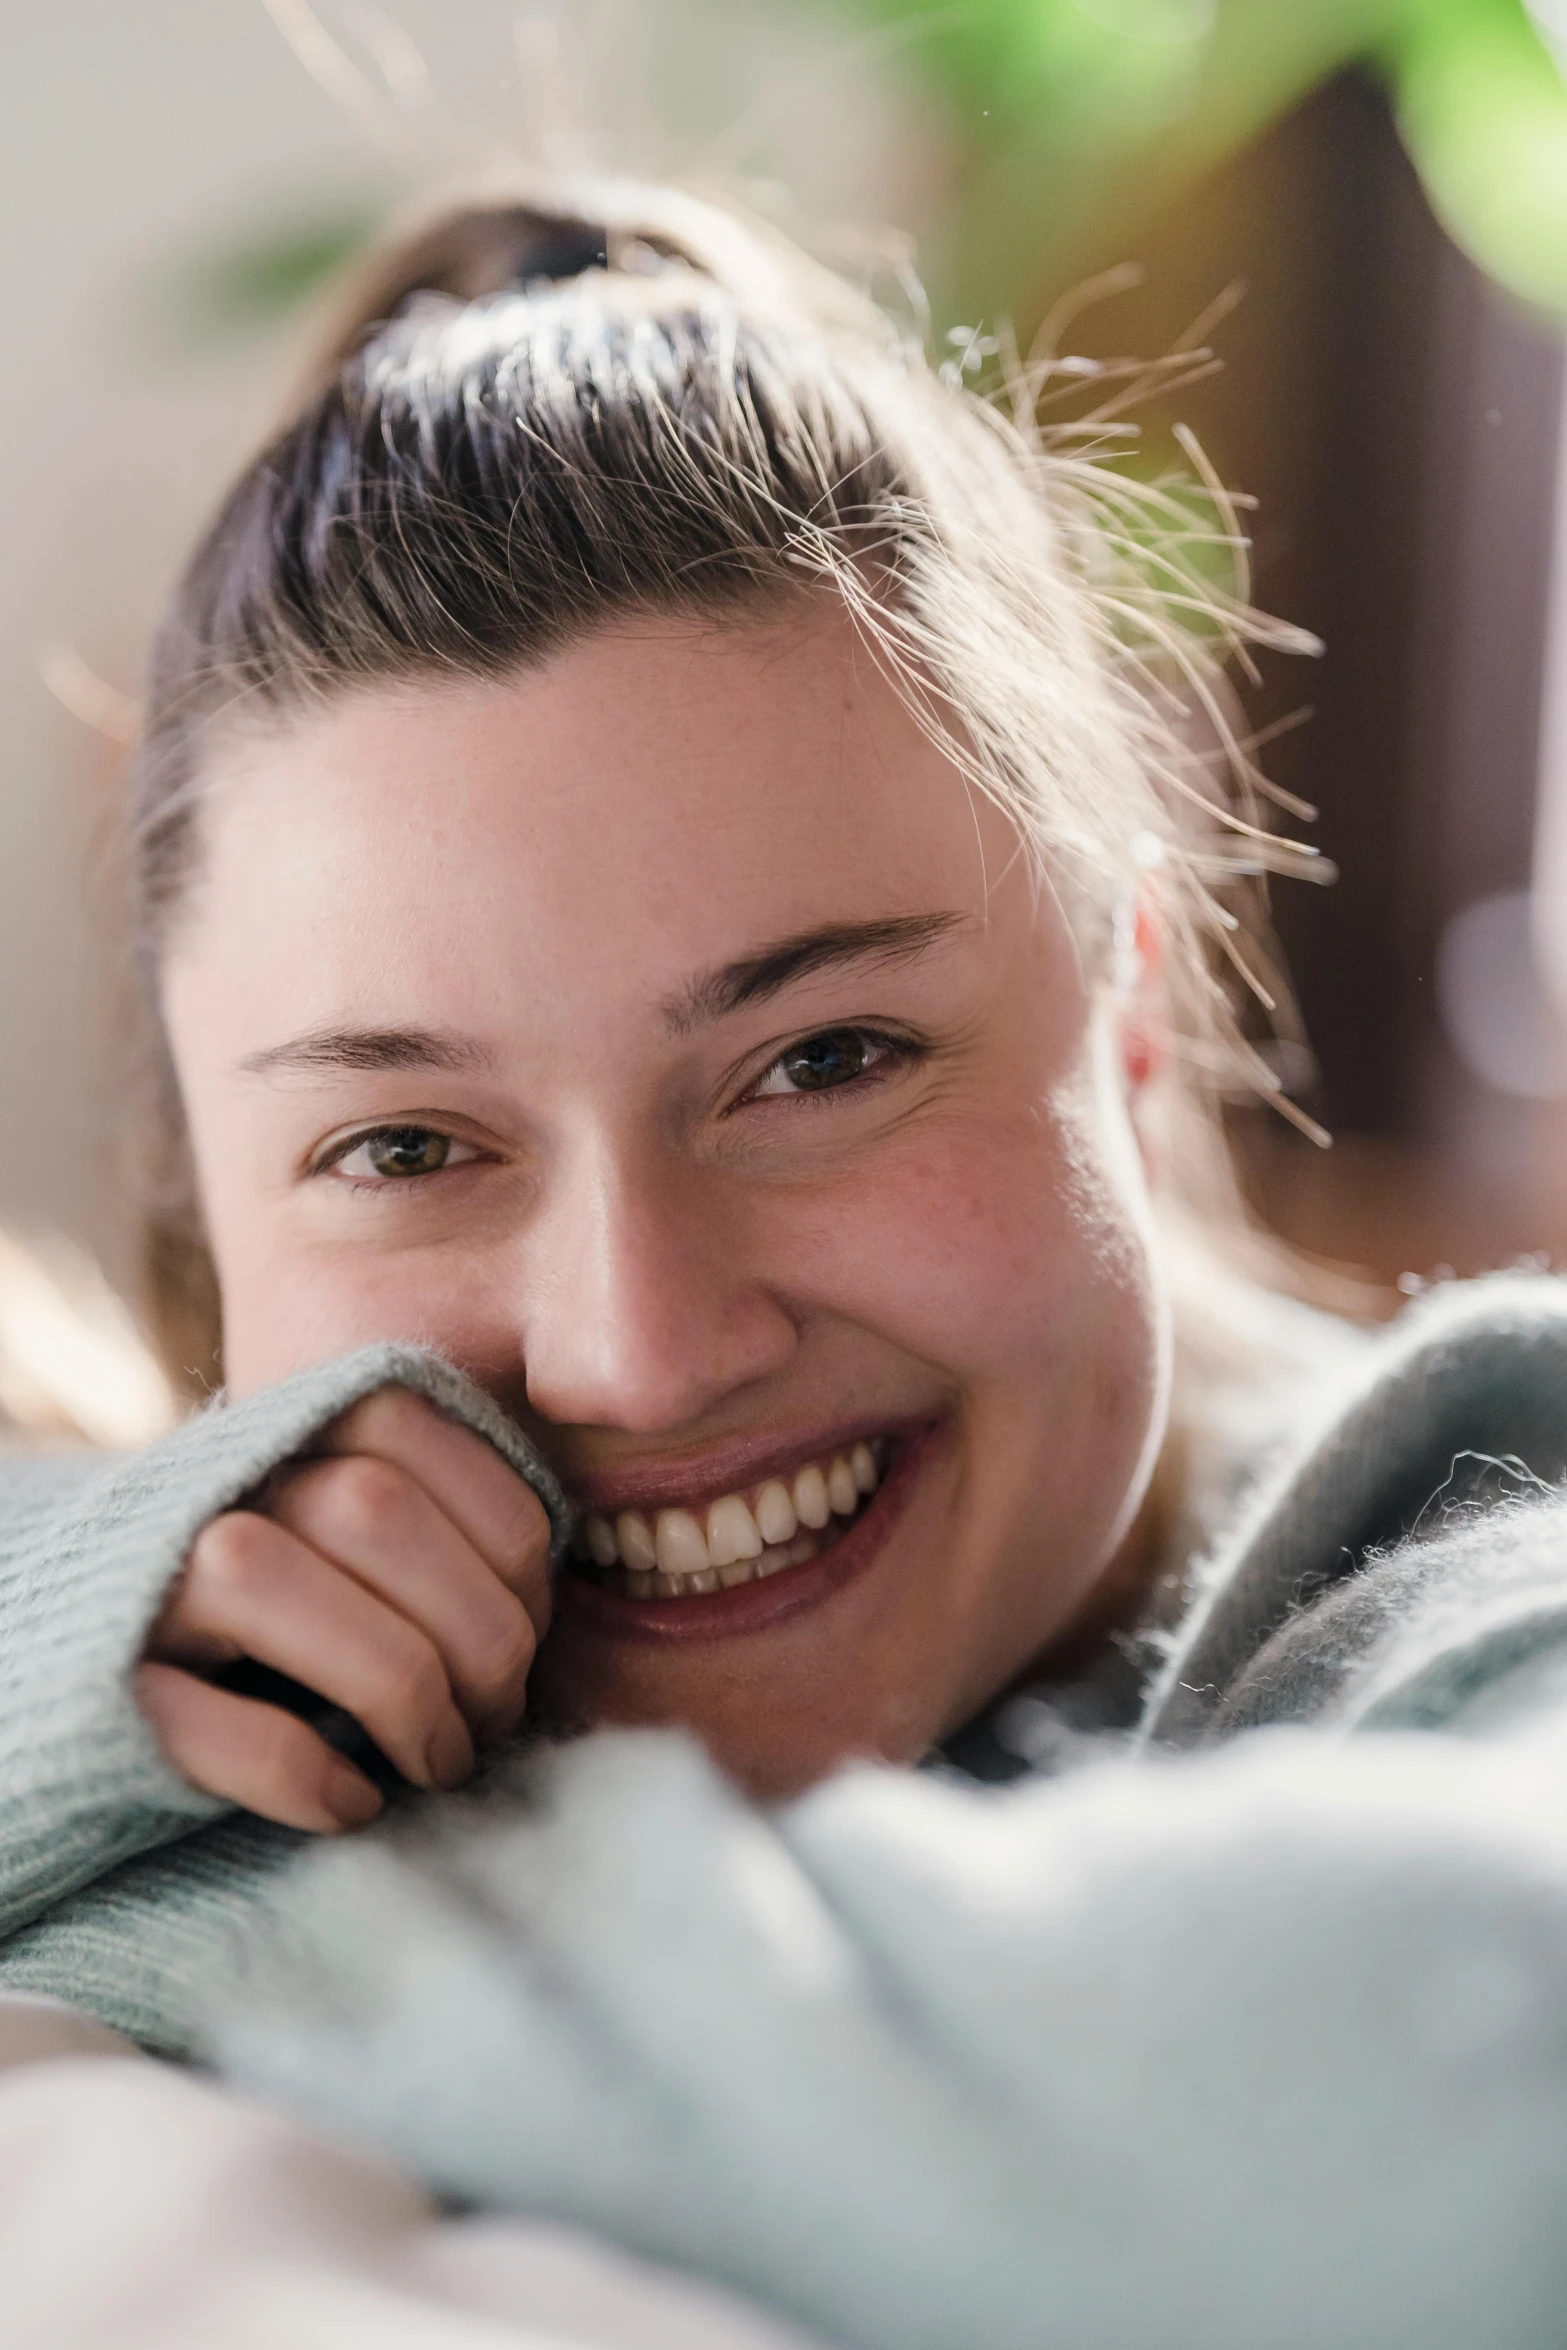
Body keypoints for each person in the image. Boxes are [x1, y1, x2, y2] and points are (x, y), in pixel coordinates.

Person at [3, 178, 1567, 2349]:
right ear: (212, 1205)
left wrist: (244, 1890)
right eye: (406, 1144)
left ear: (1123, 1010)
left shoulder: (1492, 1545)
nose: (639, 1349)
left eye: (820, 1059)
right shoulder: (109, 1622)